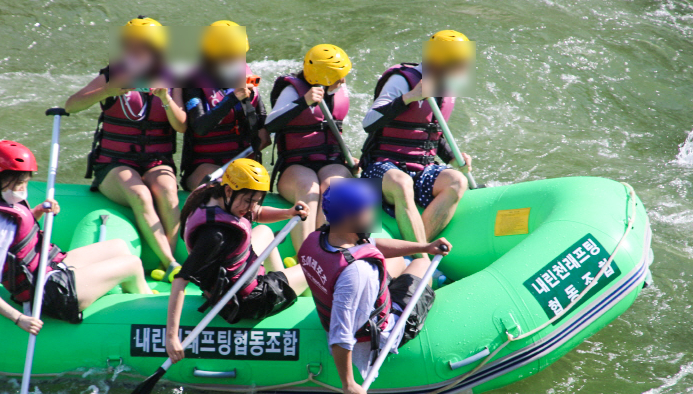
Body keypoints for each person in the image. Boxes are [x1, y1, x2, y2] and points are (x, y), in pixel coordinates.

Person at [0, 140, 151, 334]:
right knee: (132, 264)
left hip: (48, 270)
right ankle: (150, 314)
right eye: (19, 182)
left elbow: (17, 240)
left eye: (25, 181)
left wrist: (37, 212)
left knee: (118, 247)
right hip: (48, 294)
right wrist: (19, 318)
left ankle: (133, 294)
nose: (23, 188)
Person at [298, 179, 451, 394]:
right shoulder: (356, 272)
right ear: (350, 218)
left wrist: (424, 247)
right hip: (378, 333)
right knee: (422, 267)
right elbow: (341, 334)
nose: (372, 215)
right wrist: (349, 384)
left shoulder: (319, 237)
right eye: (367, 210)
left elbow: (373, 245)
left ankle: (408, 268)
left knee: (400, 260)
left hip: (354, 297)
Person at [65, 17, 186, 279]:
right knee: (140, 195)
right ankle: (170, 263)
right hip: (113, 163)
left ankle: (171, 256)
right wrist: (108, 91)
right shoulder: (112, 74)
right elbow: (71, 105)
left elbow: (182, 126)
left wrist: (165, 99)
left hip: (155, 160)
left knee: (168, 191)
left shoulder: (171, 79)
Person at [165, 159, 309, 362]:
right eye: (248, 200)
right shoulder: (215, 235)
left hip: (230, 276)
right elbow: (180, 280)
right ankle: (282, 290)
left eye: (256, 200)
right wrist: (171, 337)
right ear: (229, 191)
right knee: (310, 269)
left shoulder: (211, 195)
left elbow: (255, 213)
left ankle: (279, 281)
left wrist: (288, 213)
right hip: (246, 301)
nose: (251, 206)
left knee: (265, 231)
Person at [361, 30, 476, 246]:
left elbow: (432, 131)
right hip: (382, 169)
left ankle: (416, 246)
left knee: (457, 181)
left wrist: (452, 156)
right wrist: (409, 97)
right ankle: (421, 255)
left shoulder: (447, 86)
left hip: (421, 169)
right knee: (401, 182)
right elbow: (368, 122)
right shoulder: (401, 80)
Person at [266, 44, 354, 252]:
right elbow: (270, 125)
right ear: (320, 77)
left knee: (337, 187)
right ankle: (305, 255)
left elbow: (336, 132)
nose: (342, 81)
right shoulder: (292, 90)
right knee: (309, 186)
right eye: (336, 76)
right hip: (295, 166)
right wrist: (303, 102)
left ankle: (328, 251)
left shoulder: (338, 89)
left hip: (329, 161)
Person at [180, 20, 268, 190]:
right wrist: (232, 98)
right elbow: (199, 127)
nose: (237, 61)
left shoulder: (245, 75)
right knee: (225, 189)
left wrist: (264, 128)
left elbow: (261, 115)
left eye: (239, 55)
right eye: (230, 56)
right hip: (204, 165)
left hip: (242, 163)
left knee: (247, 188)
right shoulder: (194, 82)